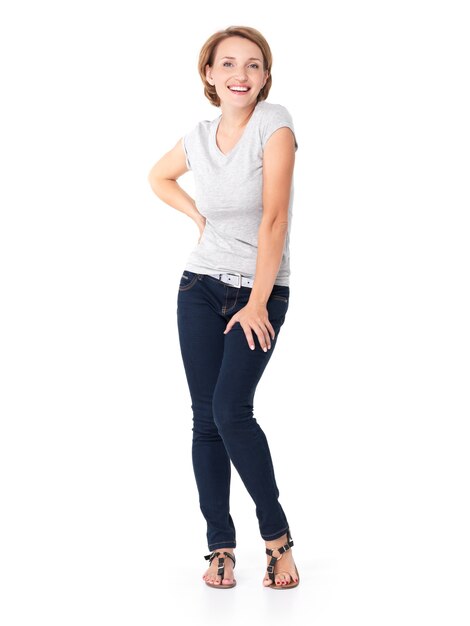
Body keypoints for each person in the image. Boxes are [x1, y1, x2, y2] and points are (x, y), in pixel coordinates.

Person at [148, 25, 300, 590]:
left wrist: (258, 302)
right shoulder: (198, 136)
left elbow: (275, 220)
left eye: (254, 65)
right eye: (229, 64)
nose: (242, 74)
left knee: (231, 411)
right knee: (205, 420)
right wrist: (196, 216)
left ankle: (277, 540)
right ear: (209, 74)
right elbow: (157, 177)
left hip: (259, 291)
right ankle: (219, 548)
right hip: (200, 287)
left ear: (265, 77)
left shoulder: (274, 124)